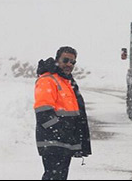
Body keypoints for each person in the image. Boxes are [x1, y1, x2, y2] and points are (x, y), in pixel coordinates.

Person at [34, 46, 91, 180]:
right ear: (57, 60)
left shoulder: (66, 81)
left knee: (59, 177)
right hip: (53, 141)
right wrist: (60, 132)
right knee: (54, 176)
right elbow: (43, 112)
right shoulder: (47, 80)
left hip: (64, 141)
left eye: (73, 62)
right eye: (65, 60)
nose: (69, 64)